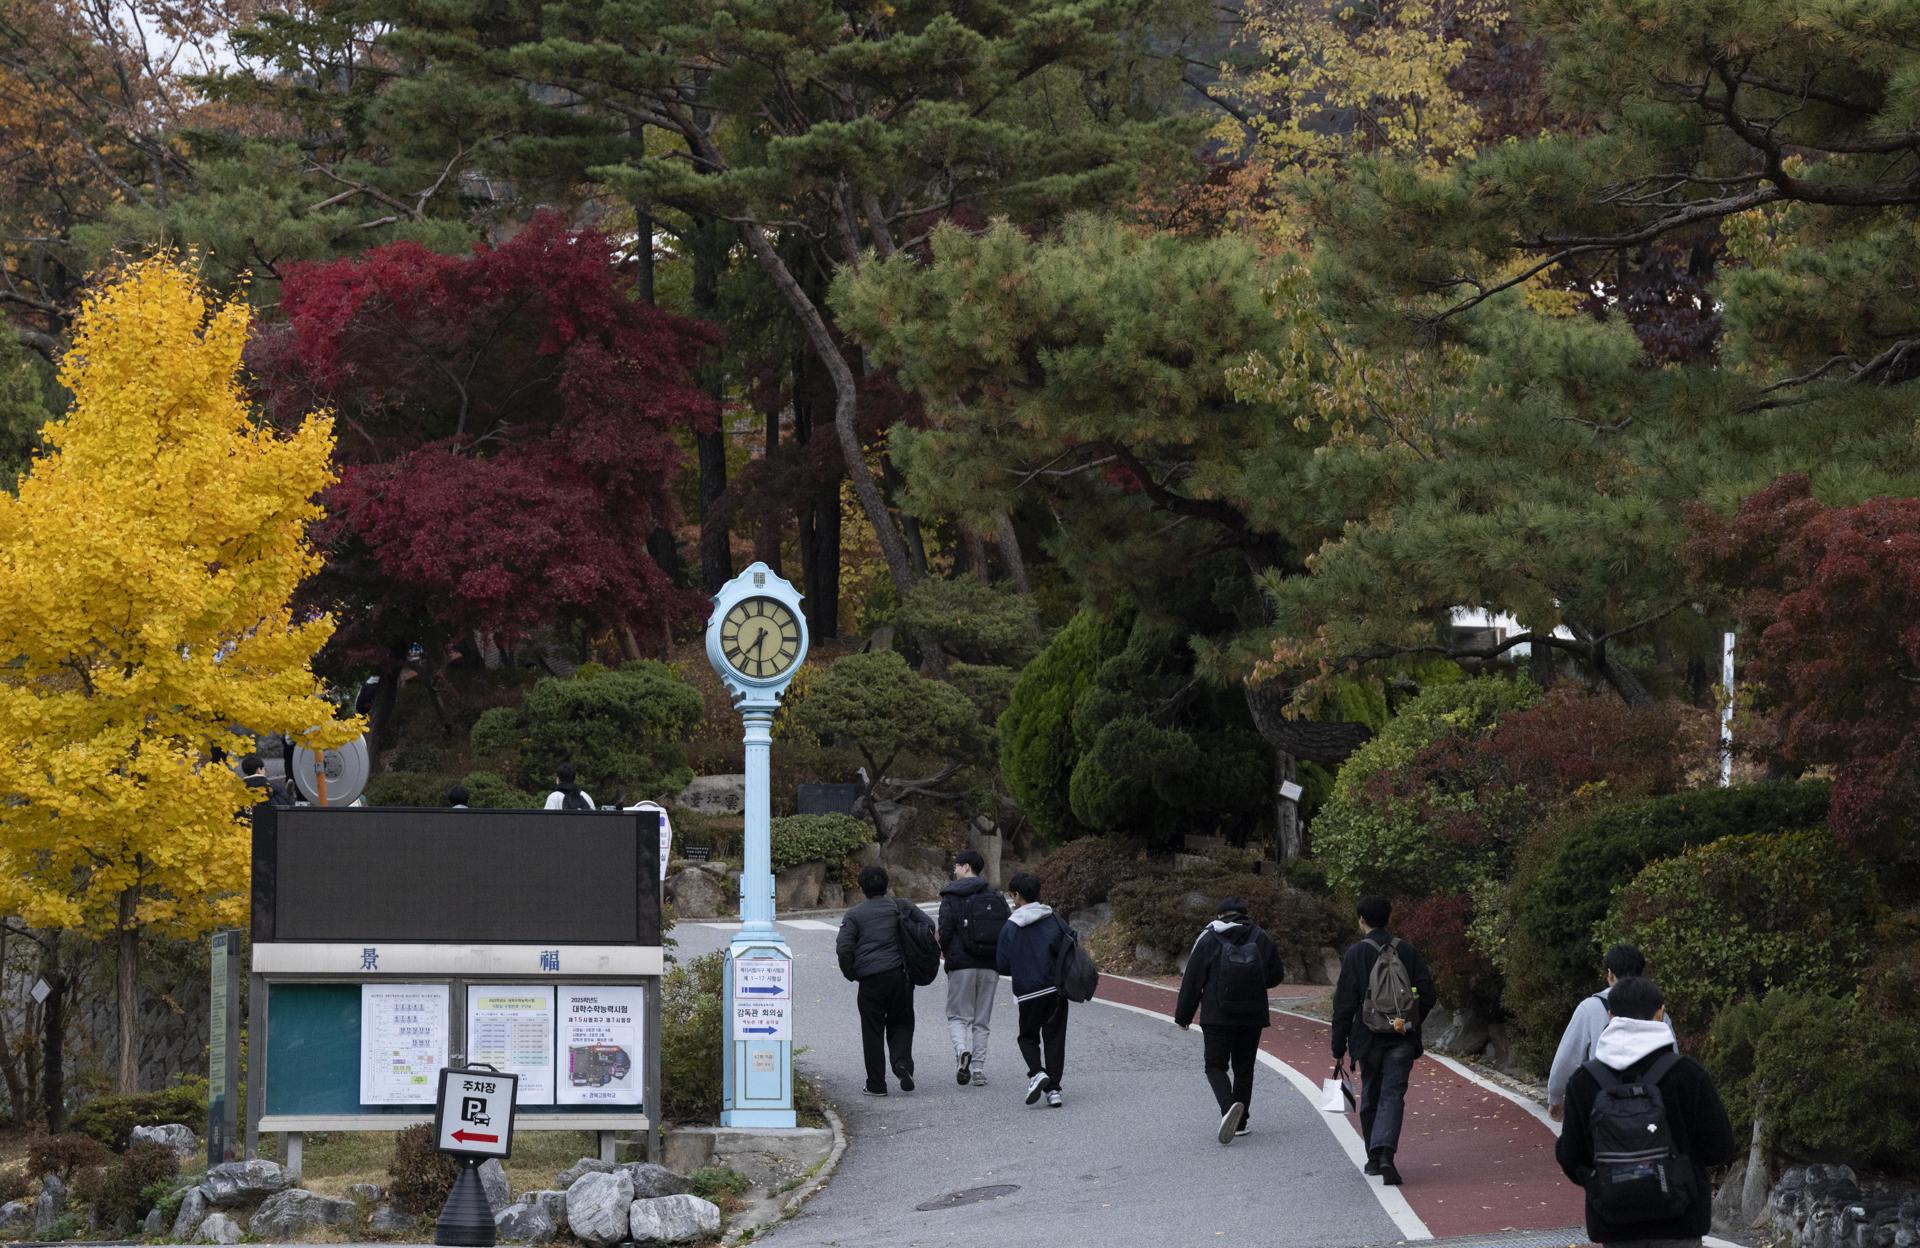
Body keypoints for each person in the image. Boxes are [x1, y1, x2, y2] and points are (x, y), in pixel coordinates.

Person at [1556, 975, 1736, 1247]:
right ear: (1660, 1012)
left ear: (1610, 1014)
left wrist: (1603, 1184)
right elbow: (1719, 1148)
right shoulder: (1688, 1074)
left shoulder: (1584, 1081)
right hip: (1680, 1222)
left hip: (1615, 1224)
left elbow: (1571, 1156)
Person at [1331, 895, 1438, 1186]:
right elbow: (1427, 994)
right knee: (1393, 1094)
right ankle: (1387, 1154)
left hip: (1367, 1037)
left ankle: (1373, 1158)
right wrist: (1409, 1021)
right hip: (1402, 1037)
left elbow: (1343, 1004)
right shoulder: (1407, 950)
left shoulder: (1356, 954)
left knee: (1371, 1094)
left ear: (1361, 919)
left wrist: (1338, 1045)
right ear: (1388, 918)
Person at [1174, 897, 1285, 1144]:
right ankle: (1241, 1122)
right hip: (1253, 1015)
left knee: (1215, 1066)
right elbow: (1276, 975)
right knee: (1244, 1069)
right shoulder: (1261, 937)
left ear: (1220, 914)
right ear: (1245, 914)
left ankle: (1228, 1108)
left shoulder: (1209, 937)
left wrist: (1183, 1016)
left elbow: (1193, 979)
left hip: (1217, 1015)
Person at [1548, 944, 1677, 1122]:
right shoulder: (1657, 1010)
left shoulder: (1590, 1008)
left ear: (1609, 973)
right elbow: (1672, 1057)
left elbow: (1568, 1058)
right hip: (1651, 1108)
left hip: (1601, 1107)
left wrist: (1555, 1097)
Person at [836, 865, 931, 1095]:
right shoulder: (902, 907)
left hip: (870, 980)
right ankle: (901, 1064)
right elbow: (928, 925)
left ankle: (877, 1084)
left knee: (872, 1031)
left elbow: (844, 948)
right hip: (901, 975)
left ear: (861, 887)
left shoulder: (855, 914)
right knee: (902, 1022)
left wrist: (852, 973)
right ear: (887, 884)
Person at [996, 872, 1070, 1109]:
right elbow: (1067, 948)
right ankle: (1054, 1091)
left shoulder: (1011, 925)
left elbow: (1002, 964)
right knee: (1055, 1038)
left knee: (1027, 1037)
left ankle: (1037, 1073)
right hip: (1056, 989)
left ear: (1016, 895)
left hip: (1028, 992)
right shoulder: (1054, 918)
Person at [938, 849, 1007, 1088]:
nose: (954, 870)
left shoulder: (951, 895)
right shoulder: (995, 895)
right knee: (982, 1018)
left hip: (961, 964)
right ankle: (978, 1069)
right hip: (990, 964)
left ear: (966, 867)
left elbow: (945, 931)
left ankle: (961, 1052)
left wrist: (947, 953)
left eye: (956, 866)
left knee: (957, 1015)